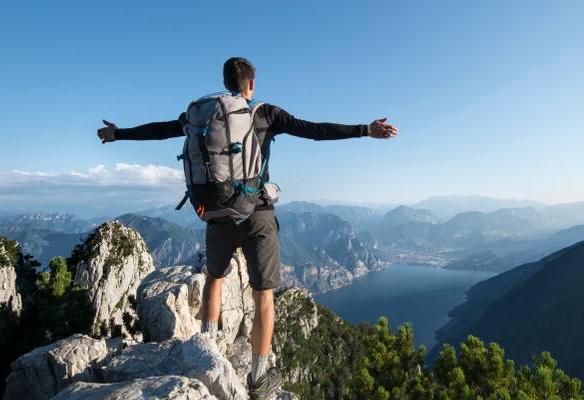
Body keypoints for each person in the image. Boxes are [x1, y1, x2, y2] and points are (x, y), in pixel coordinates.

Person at [97, 57, 397, 399]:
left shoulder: (201, 116)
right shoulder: (267, 113)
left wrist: (117, 133)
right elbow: (316, 131)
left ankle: (205, 354)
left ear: (226, 84)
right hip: (257, 213)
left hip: (217, 212)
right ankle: (257, 378)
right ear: (251, 84)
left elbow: (160, 129)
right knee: (263, 295)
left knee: (214, 278)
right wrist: (364, 130)